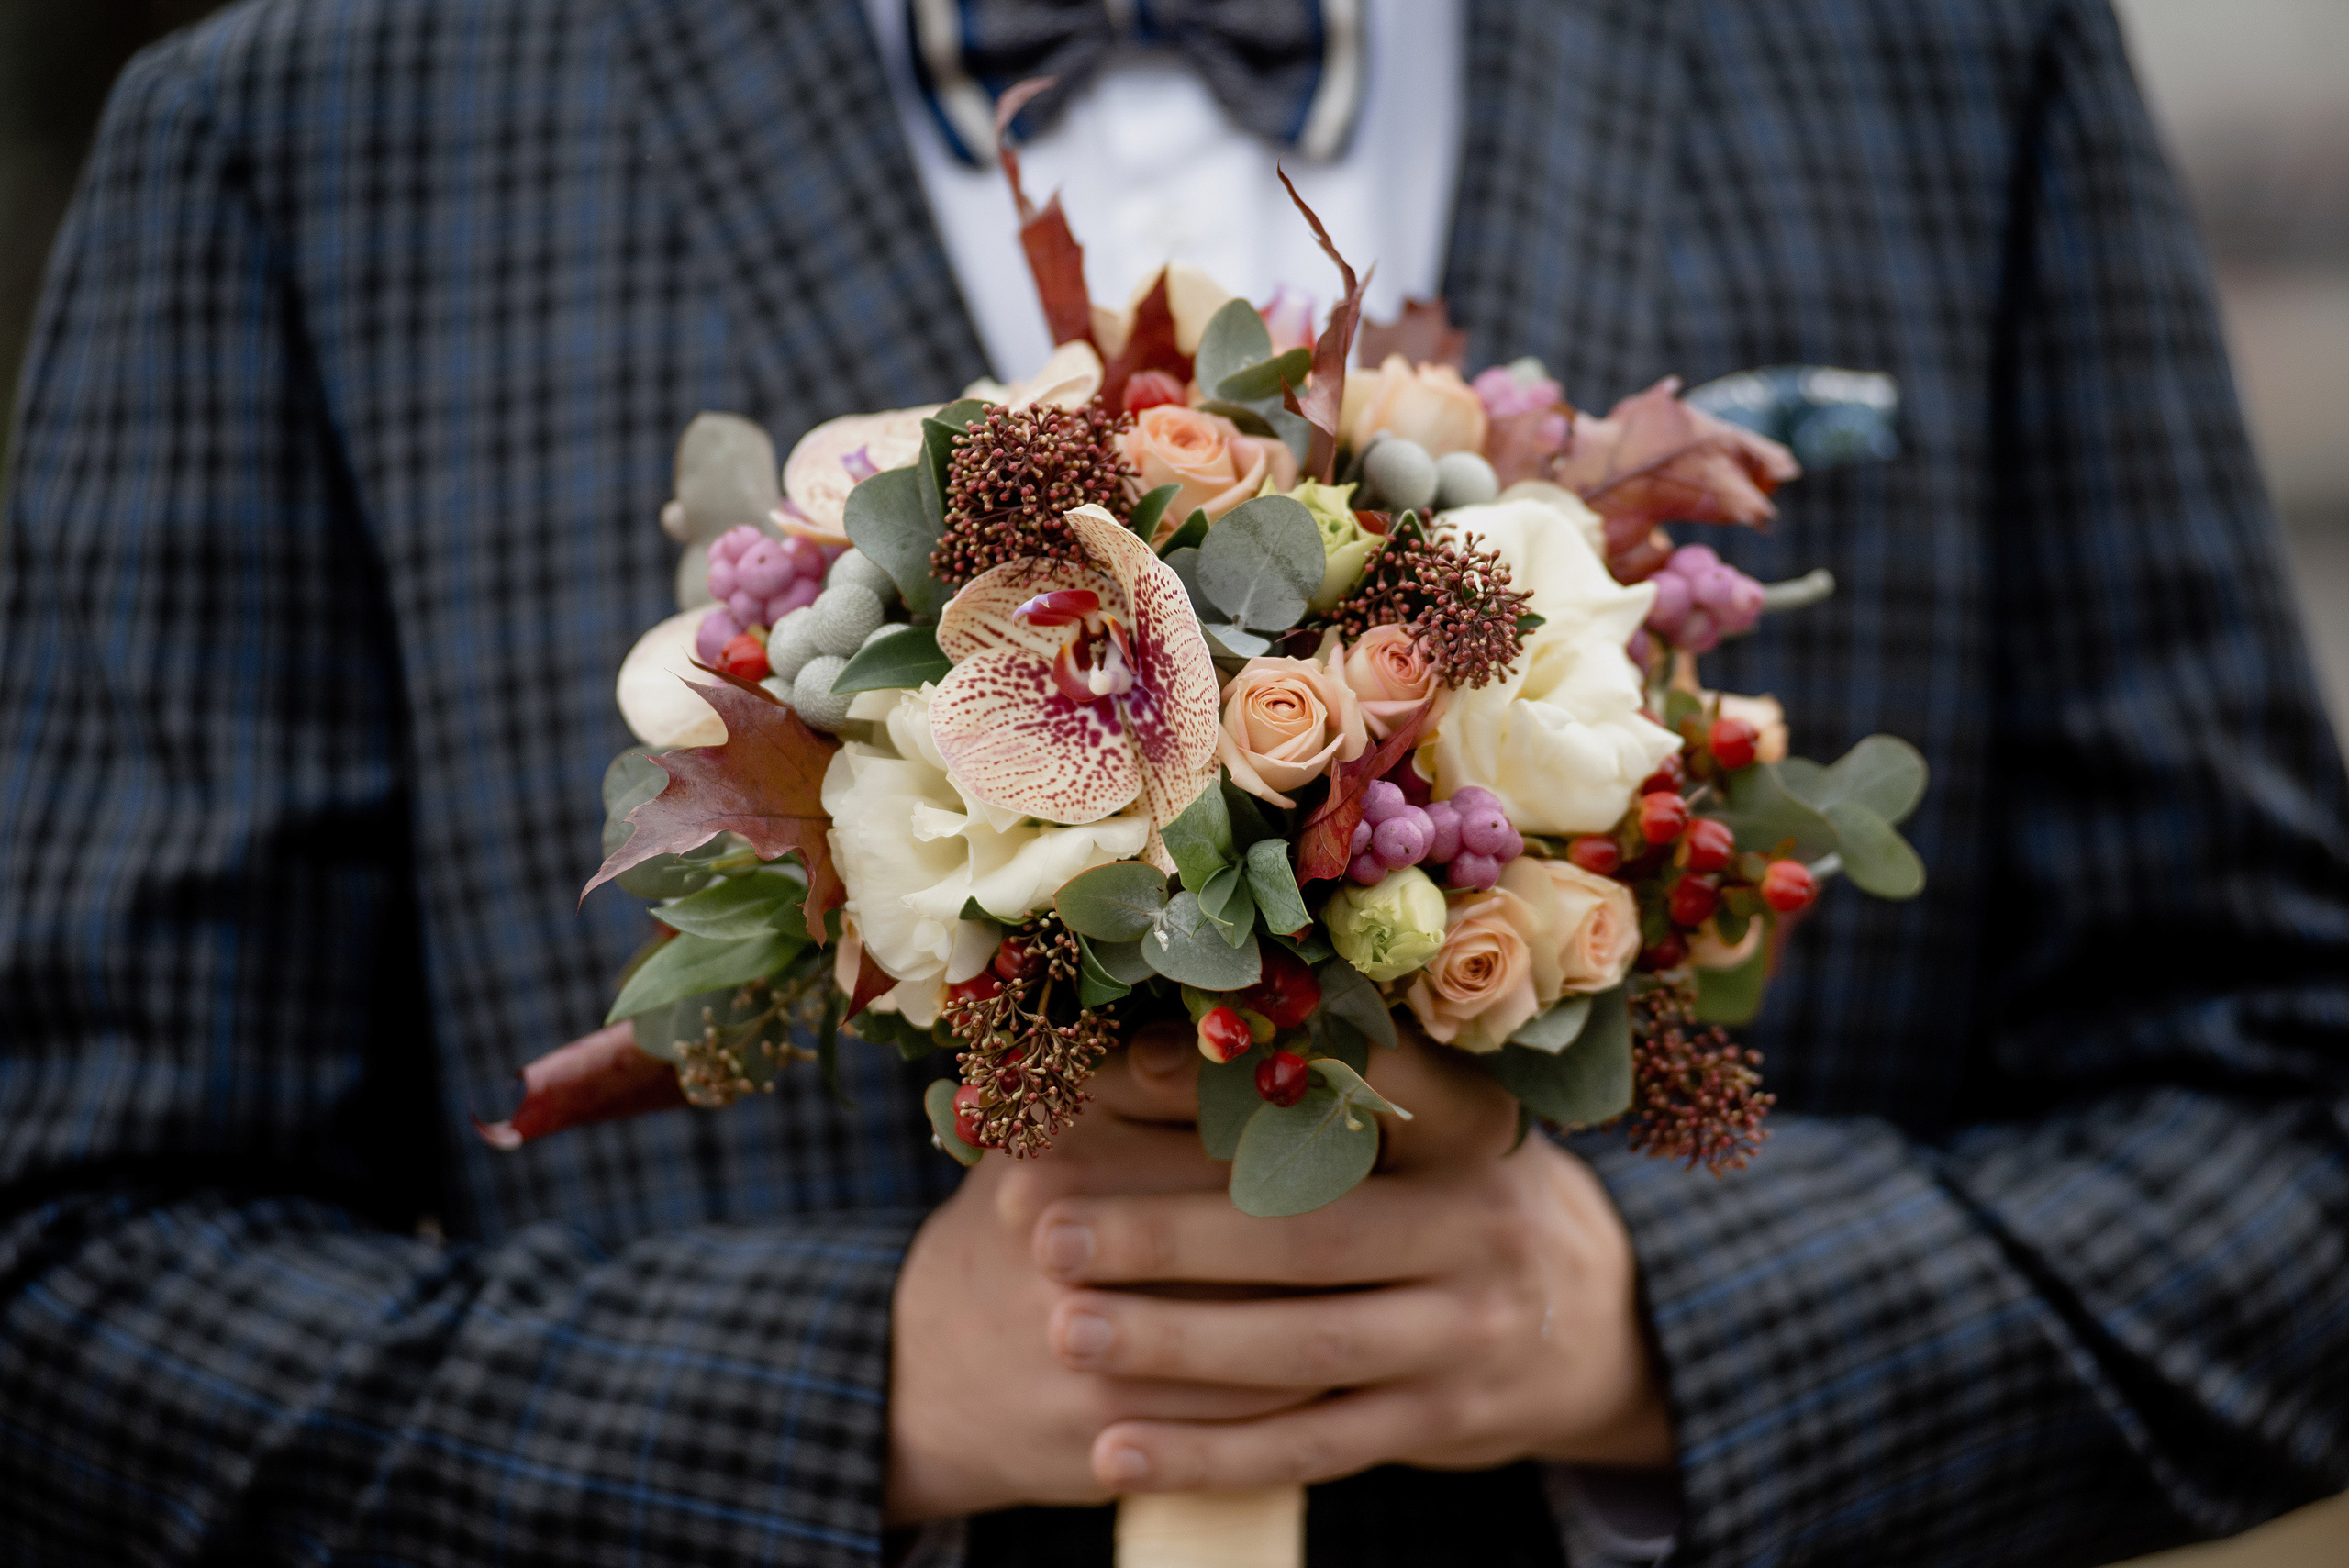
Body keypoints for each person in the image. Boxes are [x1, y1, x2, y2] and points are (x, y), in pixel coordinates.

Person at [1, 3, 2343, 1567]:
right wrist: (851, 1401)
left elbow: (2284, 1150)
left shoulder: (1936, 56)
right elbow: (74, 1284)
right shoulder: (310, 125)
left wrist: (1653, 1327)